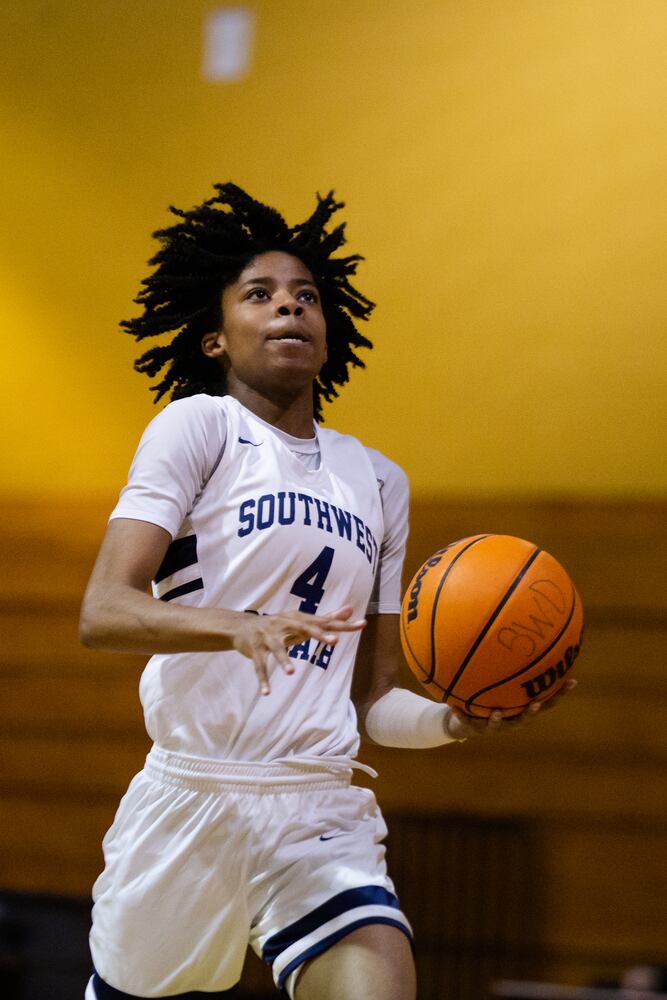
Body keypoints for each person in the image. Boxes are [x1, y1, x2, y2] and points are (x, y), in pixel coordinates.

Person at [79, 183, 572, 1000]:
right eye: (261, 295)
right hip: (193, 791)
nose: (289, 309)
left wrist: (456, 719)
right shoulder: (198, 428)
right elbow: (103, 613)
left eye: (306, 296)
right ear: (213, 338)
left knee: (378, 975)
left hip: (315, 804)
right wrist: (235, 626)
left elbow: (370, 703)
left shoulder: (377, 480)